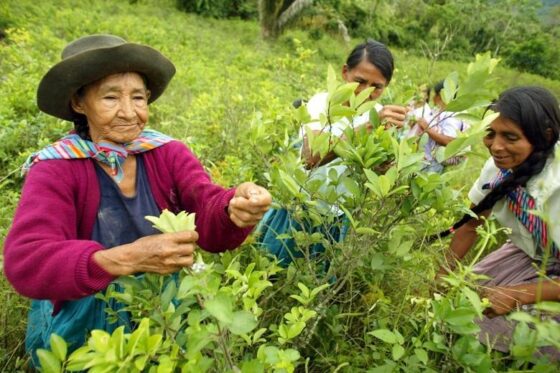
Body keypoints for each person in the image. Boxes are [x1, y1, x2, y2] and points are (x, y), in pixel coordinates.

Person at [2, 34, 272, 363]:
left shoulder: (167, 152)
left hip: (165, 306)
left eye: (139, 98)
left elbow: (206, 205)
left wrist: (233, 208)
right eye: (111, 97)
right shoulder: (57, 167)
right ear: (78, 102)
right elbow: (26, 260)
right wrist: (124, 259)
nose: (129, 112)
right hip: (89, 316)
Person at [257, 39, 407, 266]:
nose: (366, 92)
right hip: (300, 206)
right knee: (272, 267)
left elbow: (379, 172)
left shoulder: (379, 113)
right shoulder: (323, 103)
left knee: (315, 277)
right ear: (345, 73)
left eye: (377, 87)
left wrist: (390, 160)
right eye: (360, 81)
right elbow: (310, 158)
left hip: (336, 216)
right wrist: (369, 126)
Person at [437, 86, 560, 356]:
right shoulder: (498, 166)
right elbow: (469, 224)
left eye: (510, 137)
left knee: (533, 336)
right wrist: (441, 277)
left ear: (545, 136)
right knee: (463, 307)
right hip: (529, 251)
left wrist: (521, 293)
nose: (496, 146)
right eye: (490, 134)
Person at [416, 80, 468, 173]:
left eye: (435, 95)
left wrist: (426, 128)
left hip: (432, 163)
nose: (433, 98)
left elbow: (449, 141)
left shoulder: (450, 113)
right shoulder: (458, 111)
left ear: (440, 95)